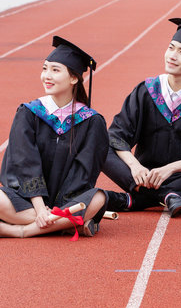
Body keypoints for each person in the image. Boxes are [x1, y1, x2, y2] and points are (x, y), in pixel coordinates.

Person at [103, 18, 181, 217]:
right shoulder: (146, 91)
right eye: (171, 48)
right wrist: (135, 166)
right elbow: (117, 136)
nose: (173, 56)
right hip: (144, 175)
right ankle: (167, 196)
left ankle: (138, 199)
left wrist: (169, 169)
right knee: (102, 148)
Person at [0, 36, 108, 238]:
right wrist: (41, 209)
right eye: (44, 68)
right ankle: (64, 225)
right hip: (27, 200)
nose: (46, 76)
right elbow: (25, 162)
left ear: (74, 78)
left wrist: (60, 206)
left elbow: (83, 172)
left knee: (99, 198)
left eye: (55, 70)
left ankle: (21, 231)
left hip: (67, 203)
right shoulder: (29, 112)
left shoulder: (91, 121)